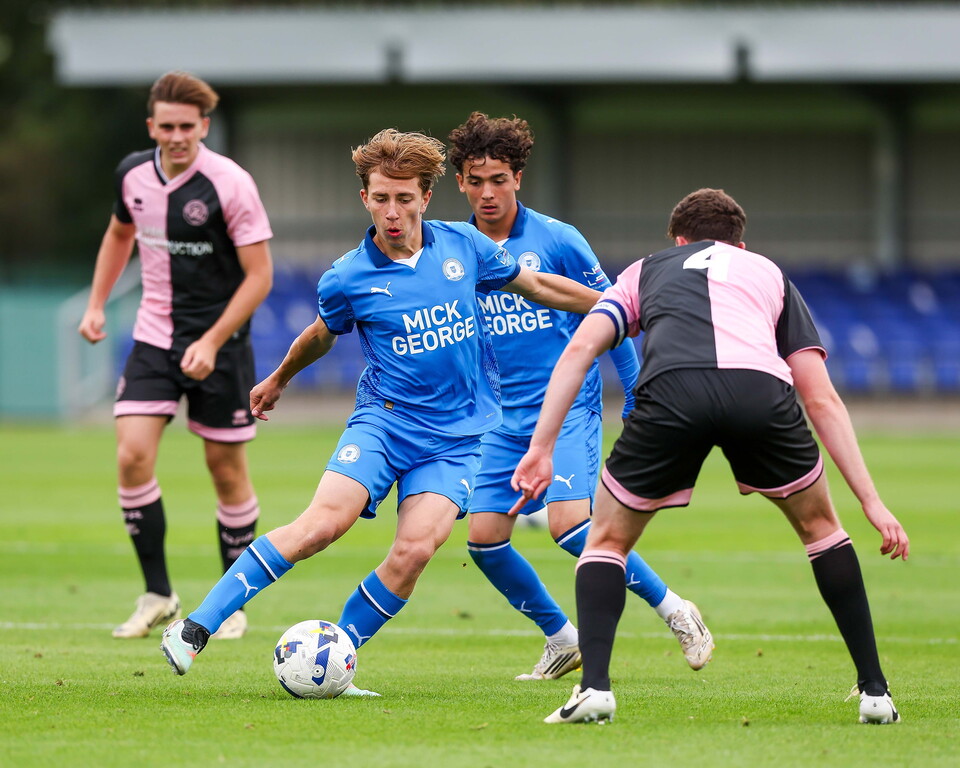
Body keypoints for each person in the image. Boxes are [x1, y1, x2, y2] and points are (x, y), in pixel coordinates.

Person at [159, 128, 602, 695]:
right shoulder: (347, 276)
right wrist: (278, 379)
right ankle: (196, 627)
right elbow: (322, 335)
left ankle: (331, 663)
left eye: (404, 198)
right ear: (364, 198)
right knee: (321, 526)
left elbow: (538, 285)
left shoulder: (464, 246)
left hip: (458, 439)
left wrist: (619, 305)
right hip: (385, 424)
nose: (392, 212)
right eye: (380, 198)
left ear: (425, 197)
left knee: (415, 550)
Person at [511, 188, 909, 725]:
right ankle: (876, 693)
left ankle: (596, 690)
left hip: (672, 391)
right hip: (760, 393)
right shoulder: (769, 273)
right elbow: (820, 397)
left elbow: (581, 351)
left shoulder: (645, 269)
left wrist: (540, 449)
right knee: (823, 532)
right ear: (739, 245)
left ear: (677, 240)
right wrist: (873, 502)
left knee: (605, 541)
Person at [448, 112, 713, 681]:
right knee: (485, 541)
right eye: (476, 180)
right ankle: (560, 638)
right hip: (499, 417)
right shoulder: (457, 248)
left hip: (566, 408)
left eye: (499, 178)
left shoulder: (559, 240)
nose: (488, 192)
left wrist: (639, 395)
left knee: (571, 525)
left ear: (518, 176)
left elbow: (612, 317)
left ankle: (676, 610)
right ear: (460, 184)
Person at [78, 71, 274, 641]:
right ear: (152, 127)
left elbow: (259, 277)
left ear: (203, 127)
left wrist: (212, 341)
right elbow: (119, 234)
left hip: (223, 344)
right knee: (132, 456)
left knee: (225, 469)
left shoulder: (231, 184)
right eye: (166, 126)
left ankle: (230, 603)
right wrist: (96, 303)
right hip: (154, 337)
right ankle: (158, 595)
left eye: (187, 126)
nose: (176, 136)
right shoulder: (132, 174)